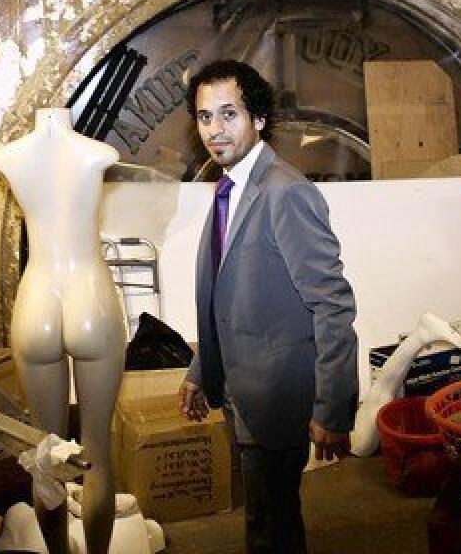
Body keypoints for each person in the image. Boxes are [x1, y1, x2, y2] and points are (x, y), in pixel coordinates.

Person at [178, 60, 358, 554]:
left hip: (275, 396)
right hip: (238, 387)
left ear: (258, 118)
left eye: (229, 114)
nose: (215, 130)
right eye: (205, 117)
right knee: (269, 517)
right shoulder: (227, 187)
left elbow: (333, 305)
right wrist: (200, 368)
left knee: (270, 526)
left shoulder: (286, 191)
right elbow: (225, 295)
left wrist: (332, 408)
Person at [0, 108, 125, 554]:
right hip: (91, 297)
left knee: (44, 457)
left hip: (38, 300)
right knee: (96, 453)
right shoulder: (97, 152)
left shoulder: (11, 156)